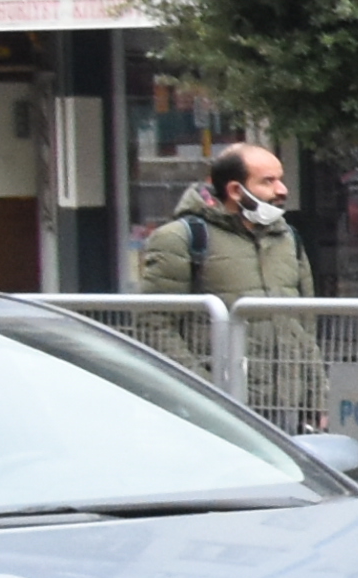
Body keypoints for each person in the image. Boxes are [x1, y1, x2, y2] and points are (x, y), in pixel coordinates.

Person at [135, 139, 317, 414]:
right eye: (268, 182)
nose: (282, 190)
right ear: (235, 190)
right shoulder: (180, 238)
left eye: (280, 179)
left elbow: (305, 323)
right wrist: (208, 392)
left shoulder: (287, 238)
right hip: (216, 413)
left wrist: (316, 397)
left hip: (286, 410)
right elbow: (154, 326)